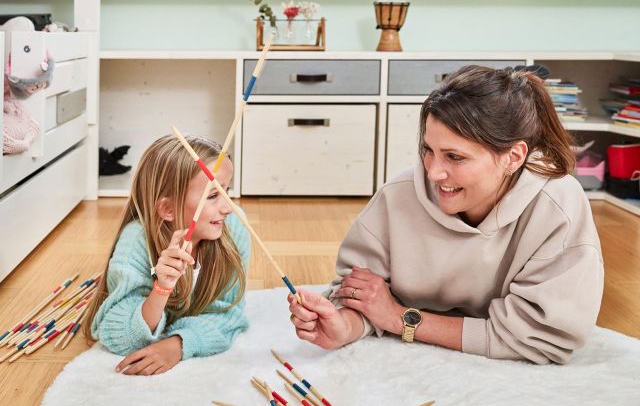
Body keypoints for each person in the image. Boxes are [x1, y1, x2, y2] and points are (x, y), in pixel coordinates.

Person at [289, 65, 604, 365]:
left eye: (455, 157)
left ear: (514, 156)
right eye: (428, 150)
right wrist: (342, 325)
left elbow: (542, 337)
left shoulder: (557, 206)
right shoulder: (397, 196)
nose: (434, 172)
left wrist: (401, 319)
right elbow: (361, 297)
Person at [85, 134, 249, 375]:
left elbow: (229, 315)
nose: (227, 207)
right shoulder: (135, 241)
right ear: (168, 209)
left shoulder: (233, 229)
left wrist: (180, 344)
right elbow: (117, 334)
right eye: (213, 196)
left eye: (226, 191)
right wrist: (162, 288)